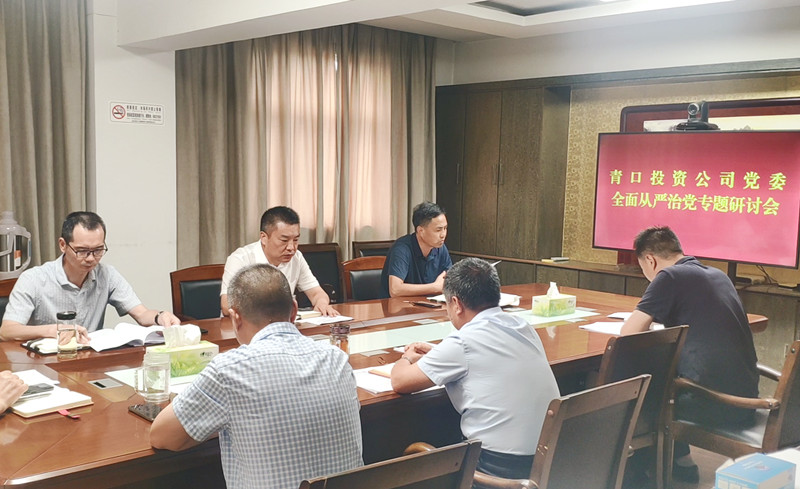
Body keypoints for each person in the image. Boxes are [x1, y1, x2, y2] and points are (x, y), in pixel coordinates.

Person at [151, 263, 362, 489]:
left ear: (235, 317)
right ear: (294, 310)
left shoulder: (229, 369)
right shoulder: (337, 358)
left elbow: (161, 437)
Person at [390, 258, 559, 479]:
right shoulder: (523, 327)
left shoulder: (463, 342)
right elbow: (486, 360)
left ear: (456, 304)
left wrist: (407, 357)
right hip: (548, 464)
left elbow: (399, 381)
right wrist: (439, 353)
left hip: (494, 473)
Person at [620, 226, 759, 483]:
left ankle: (636, 474)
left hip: (712, 404)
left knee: (638, 387)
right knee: (663, 380)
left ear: (650, 260)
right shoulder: (718, 275)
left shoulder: (669, 276)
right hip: (747, 399)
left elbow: (628, 334)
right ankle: (682, 462)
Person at [0, 211, 180, 343]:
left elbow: (142, 314)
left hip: (90, 358)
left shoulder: (107, 275)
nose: (91, 258)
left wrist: (160, 316)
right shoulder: (33, 279)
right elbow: (7, 331)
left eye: (98, 250)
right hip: (45, 363)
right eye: (82, 251)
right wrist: (53, 330)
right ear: (63, 245)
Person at [220, 206, 338, 316]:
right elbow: (227, 305)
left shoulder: (296, 257)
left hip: (283, 325)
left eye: (295, 240)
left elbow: (316, 293)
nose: (291, 247)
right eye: (284, 240)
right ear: (264, 238)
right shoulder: (241, 259)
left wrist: (322, 304)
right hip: (245, 327)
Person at [380, 201, 452, 298]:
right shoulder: (402, 249)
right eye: (438, 230)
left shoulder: (440, 248)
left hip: (428, 304)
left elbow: (450, 279)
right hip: (397, 306)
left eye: (445, 228)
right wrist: (434, 287)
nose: (443, 234)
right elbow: (395, 290)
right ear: (420, 231)